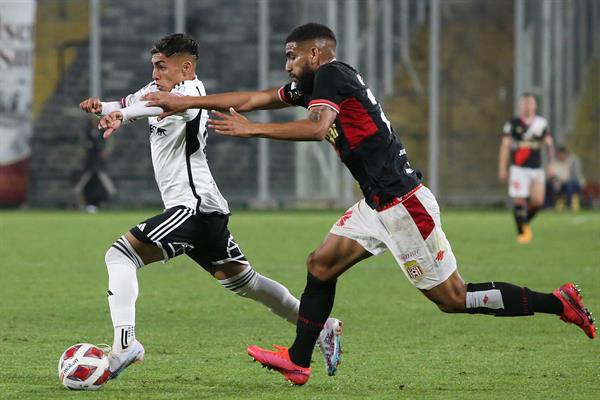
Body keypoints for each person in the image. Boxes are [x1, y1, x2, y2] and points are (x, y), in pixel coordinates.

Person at [142, 24, 596, 386]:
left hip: (403, 207)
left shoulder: (333, 77)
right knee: (320, 264)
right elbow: (255, 99)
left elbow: (317, 129)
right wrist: (183, 100)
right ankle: (299, 360)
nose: (287, 64)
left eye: (291, 56)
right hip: (376, 205)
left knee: (453, 299)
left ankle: (558, 302)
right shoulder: (316, 80)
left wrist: (252, 130)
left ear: (316, 54)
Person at [79, 33, 343, 380]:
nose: (155, 72)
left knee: (120, 255)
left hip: (192, 207)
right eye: (154, 66)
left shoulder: (192, 94)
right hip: (206, 209)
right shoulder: (159, 89)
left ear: (185, 67)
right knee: (245, 283)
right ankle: (322, 326)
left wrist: (125, 115)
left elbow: (156, 106)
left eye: (162, 66)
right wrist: (108, 109)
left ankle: (125, 345)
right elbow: (137, 100)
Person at [498, 93, 554, 244]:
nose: (527, 105)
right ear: (520, 105)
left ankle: (524, 222)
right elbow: (505, 146)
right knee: (519, 200)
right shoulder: (513, 123)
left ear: (535, 105)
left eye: (530, 102)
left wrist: (550, 164)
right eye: (525, 103)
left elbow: (549, 145)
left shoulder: (541, 123)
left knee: (537, 201)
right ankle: (522, 233)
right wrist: (503, 168)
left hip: (536, 168)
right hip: (519, 168)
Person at [73, 116, 117, 212]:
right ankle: (80, 204)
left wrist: (105, 152)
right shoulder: (86, 130)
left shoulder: (104, 130)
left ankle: (109, 205)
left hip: (100, 164)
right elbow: (81, 144)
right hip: (89, 163)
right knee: (81, 185)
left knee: (107, 185)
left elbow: (110, 144)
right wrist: (84, 152)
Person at [547, 146, 586, 211]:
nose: (560, 156)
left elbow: (575, 175)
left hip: (573, 183)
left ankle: (569, 204)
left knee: (569, 184)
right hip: (559, 183)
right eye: (559, 154)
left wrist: (562, 180)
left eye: (562, 154)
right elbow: (552, 175)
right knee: (548, 184)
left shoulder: (572, 161)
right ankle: (549, 205)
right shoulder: (554, 162)